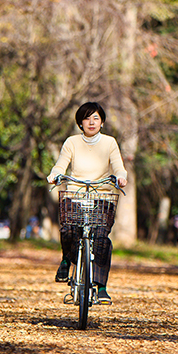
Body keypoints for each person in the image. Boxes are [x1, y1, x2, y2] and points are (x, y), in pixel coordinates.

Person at [47, 101, 128, 304]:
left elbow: (118, 166)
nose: (91, 122)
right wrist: (55, 175)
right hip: (75, 193)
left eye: (96, 118)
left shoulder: (110, 143)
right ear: (80, 122)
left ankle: (101, 287)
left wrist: (120, 177)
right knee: (68, 229)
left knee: (101, 238)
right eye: (87, 118)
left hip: (102, 195)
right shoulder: (72, 142)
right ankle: (67, 259)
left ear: (102, 122)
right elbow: (61, 165)